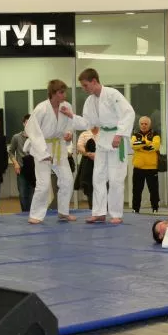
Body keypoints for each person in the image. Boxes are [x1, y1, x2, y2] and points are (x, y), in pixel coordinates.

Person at [61, 68, 135, 225]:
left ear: (94, 81)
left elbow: (129, 113)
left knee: (115, 178)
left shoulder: (113, 94)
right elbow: (88, 123)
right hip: (102, 139)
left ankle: (116, 214)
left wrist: (119, 134)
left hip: (117, 138)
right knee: (98, 176)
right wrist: (71, 116)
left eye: (85, 85)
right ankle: (99, 212)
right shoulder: (90, 101)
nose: (84, 89)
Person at [24, 80, 76, 224]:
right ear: (53, 93)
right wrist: (43, 152)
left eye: (64, 92)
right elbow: (31, 130)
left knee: (67, 180)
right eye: (61, 92)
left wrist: (68, 134)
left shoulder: (66, 106)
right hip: (43, 146)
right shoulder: (41, 108)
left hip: (59, 146)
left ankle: (63, 212)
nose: (64, 95)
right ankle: (35, 215)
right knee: (44, 184)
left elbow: (70, 124)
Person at [131, 116, 160, 214]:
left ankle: (155, 208)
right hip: (138, 168)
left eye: (146, 124)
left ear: (149, 125)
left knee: (154, 190)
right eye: (142, 124)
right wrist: (147, 142)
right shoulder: (135, 135)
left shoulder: (155, 134)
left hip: (152, 168)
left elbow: (155, 146)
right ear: (139, 125)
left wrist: (140, 146)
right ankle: (135, 209)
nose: (144, 125)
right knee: (136, 190)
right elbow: (133, 145)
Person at [8, 114, 35, 213]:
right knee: (23, 194)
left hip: (33, 170)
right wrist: (15, 163)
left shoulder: (36, 137)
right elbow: (10, 151)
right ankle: (25, 214)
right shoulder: (16, 137)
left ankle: (32, 214)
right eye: (27, 122)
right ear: (23, 123)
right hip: (21, 169)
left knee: (32, 194)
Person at [74, 127, 98, 209]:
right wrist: (88, 154)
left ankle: (104, 209)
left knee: (103, 185)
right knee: (89, 186)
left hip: (102, 162)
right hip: (87, 163)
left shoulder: (103, 133)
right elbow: (79, 146)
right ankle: (92, 208)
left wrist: (98, 155)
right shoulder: (84, 134)